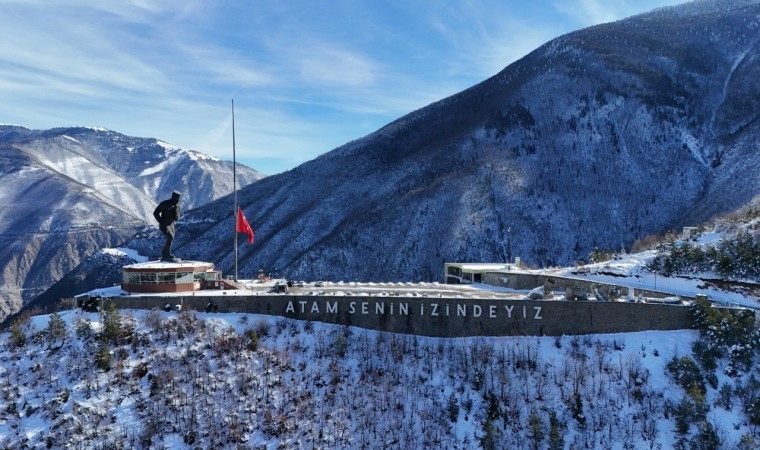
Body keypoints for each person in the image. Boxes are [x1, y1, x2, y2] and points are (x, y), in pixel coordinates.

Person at [153, 191, 181, 261]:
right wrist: (160, 221)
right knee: (170, 237)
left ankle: (165, 253)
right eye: (176, 199)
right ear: (173, 197)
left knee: (171, 238)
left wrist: (175, 211)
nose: (177, 201)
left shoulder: (177, 206)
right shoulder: (165, 203)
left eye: (178, 200)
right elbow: (155, 213)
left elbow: (177, 218)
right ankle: (166, 253)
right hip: (164, 224)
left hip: (171, 225)